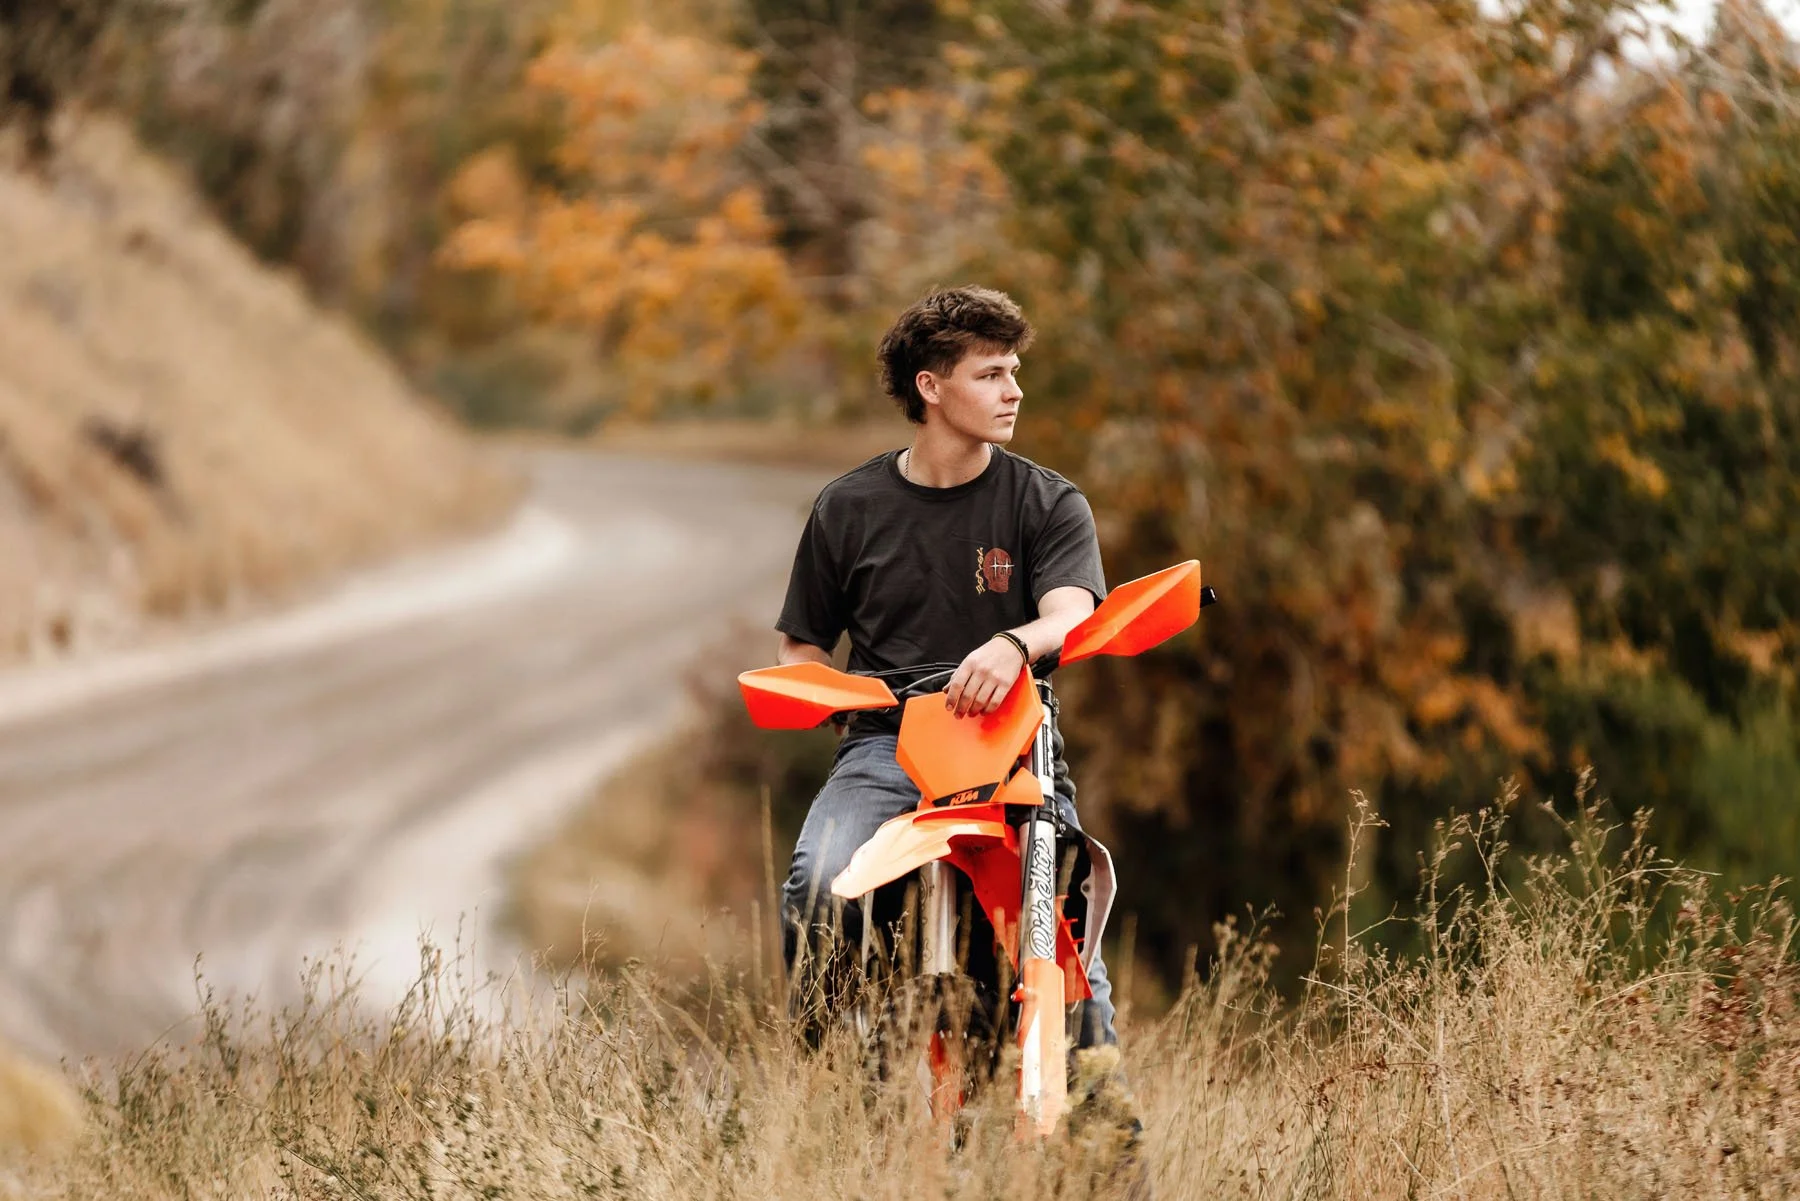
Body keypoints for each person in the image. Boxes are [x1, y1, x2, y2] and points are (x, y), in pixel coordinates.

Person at [773, 285, 1125, 1059]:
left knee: (1065, 954)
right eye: (992, 373)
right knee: (819, 881)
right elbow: (799, 650)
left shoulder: (1047, 501)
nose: (1015, 390)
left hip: (1015, 746)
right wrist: (832, 695)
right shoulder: (847, 507)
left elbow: (1070, 614)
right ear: (930, 388)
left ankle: (1108, 1147)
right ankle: (826, 1072)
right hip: (884, 749)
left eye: (1015, 369)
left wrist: (1014, 644)